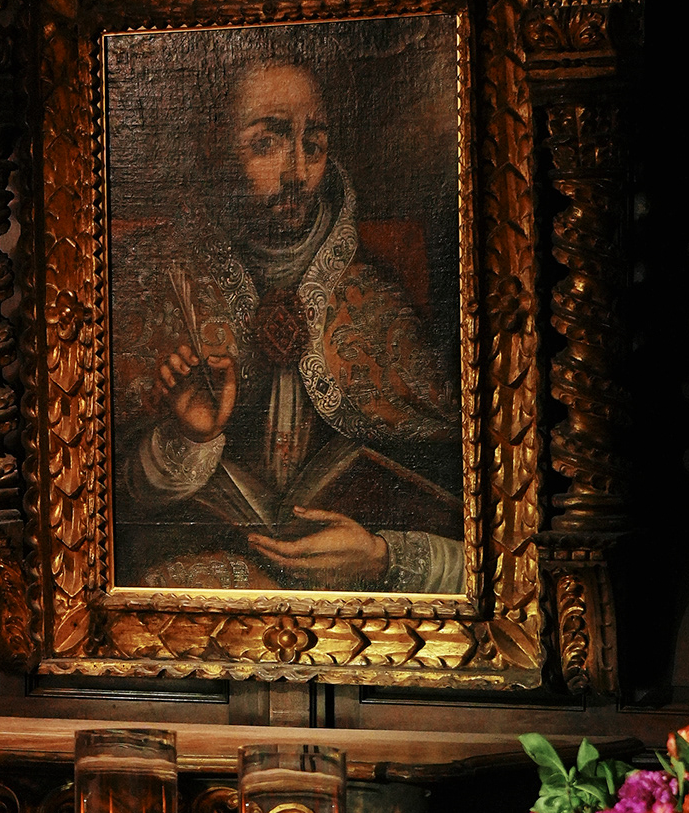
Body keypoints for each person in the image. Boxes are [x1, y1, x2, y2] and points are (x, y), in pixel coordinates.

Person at [112, 57, 464, 594]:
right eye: (266, 144)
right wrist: (186, 438)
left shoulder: (376, 301)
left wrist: (383, 557)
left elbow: (476, 522)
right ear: (214, 149)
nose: (298, 173)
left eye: (314, 146)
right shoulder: (151, 280)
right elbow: (102, 510)